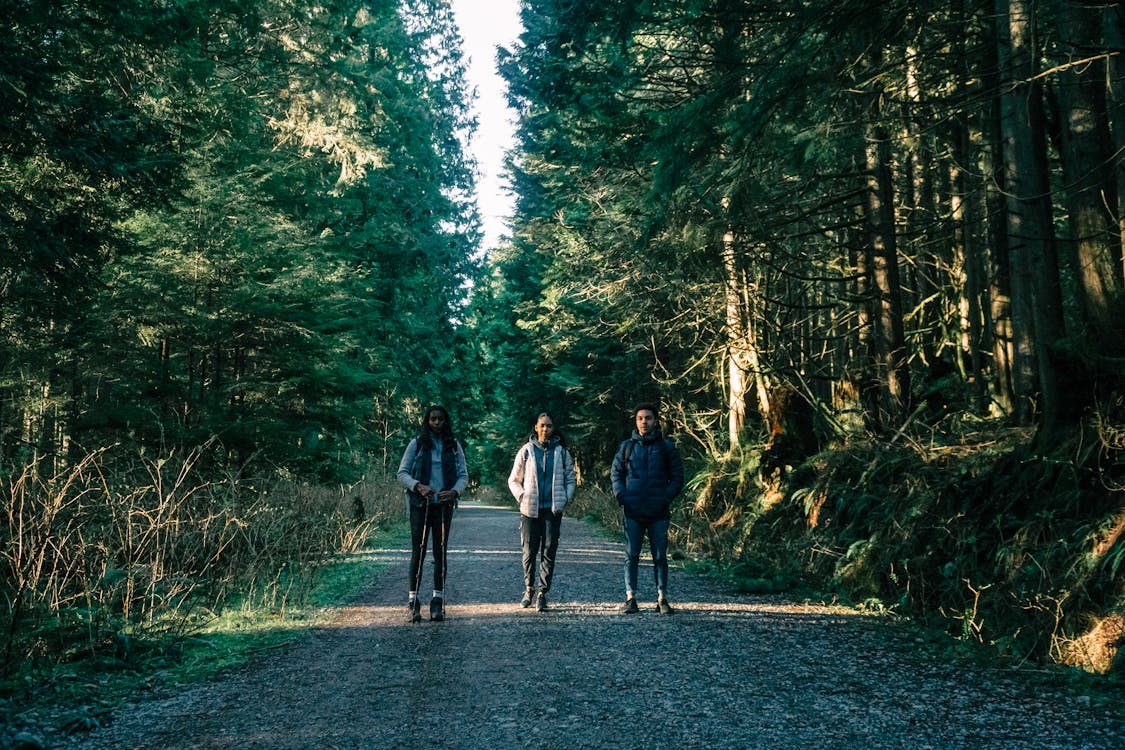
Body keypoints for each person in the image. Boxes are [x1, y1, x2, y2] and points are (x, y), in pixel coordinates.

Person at [610, 403, 684, 614]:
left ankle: (662, 598)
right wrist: (622, 496)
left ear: (656, 421)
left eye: (648, 418)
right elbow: (616, 473)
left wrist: (665, 497)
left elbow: (677, 477)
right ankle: (631, 598)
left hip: (658, 512)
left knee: (659, 556)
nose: (644, 422)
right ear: (636, 421)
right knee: (631, 555)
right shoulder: (626, 447)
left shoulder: (666, 447)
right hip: (633, 510)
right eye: (640, 418)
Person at [397, 405, 469, 623]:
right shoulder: (417, 444)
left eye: (440, 419)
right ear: (427, 421)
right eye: (433, 419)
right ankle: (413, 602)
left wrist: (455, 491)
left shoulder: (454, 446)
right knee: (418, 552)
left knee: (440, 553)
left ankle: (437, 602)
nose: (437, 423)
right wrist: (419, 486)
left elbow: (463, 475)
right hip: (421, 505)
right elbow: (402, 473)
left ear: (446, 421)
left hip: (443, 506)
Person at [507, 412, 577, 612]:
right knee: (529, 551)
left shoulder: (562, 453)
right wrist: (521, 496)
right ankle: (528, 589)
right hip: (529, 510)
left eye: (549, 426)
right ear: (536, 428)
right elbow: (513, 479)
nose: (545, 429)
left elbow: (570, 479)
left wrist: (565, 498)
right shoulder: (527, 451)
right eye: (542, 426)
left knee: (549, 551)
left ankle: (542, 593)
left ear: (553, 428)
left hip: (552, 510)